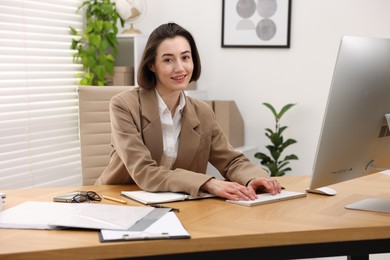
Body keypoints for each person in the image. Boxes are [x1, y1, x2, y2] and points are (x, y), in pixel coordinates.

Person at [95, 22, 282, 201]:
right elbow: (144, 172)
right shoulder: (123, 105)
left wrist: (253, 178)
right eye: (168, 60)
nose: (180, 68)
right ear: (151, 65)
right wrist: (207, 183)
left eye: (185, 57)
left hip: (178, 204)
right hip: (120, 201)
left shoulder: (202, 112)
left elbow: (230, 161)